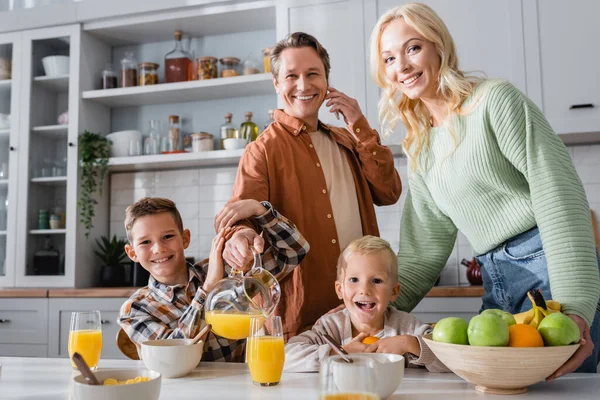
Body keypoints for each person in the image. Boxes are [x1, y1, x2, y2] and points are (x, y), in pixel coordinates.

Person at [370, 3, 600, 377]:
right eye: (389, 58)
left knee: (566, 391)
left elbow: (559, 194)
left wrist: (575, 306)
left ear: (438, 45)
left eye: (413, 48)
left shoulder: (494, 101)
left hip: (551, 275)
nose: (403, 66)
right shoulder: (422, 147)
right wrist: (368, 304)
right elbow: (422, 254)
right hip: (497, 285)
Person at [214, 32, 402, 338]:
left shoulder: (347, 140)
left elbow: (389, 191)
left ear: (326, 80)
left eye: (313, 74)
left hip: (362, 310)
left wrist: (359, 125)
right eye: (291, 76)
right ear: (277, 84)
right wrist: (242, 235)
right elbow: (243, 216)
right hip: (302, 317)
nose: (303, 85)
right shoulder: (262, 150)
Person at [118, 197, 309, 362]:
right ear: (132, 252)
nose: (158, 248)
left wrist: (259, 210)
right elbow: (175, 356)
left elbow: (294, 252)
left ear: (185, 239)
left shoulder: (229, 272)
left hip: (239, 387)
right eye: (145, 242)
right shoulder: (135, 309)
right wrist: (208, 287)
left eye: (167, 236)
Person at [284, 235, 447, 373]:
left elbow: (453, 359)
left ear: (394, 292)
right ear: (340, 289)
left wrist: (409, 343)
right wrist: (337, 352)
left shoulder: (406, 327)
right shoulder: (330, 328)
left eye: (376, 280)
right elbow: (286, 355)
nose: (364, 290)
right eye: (354, 280)